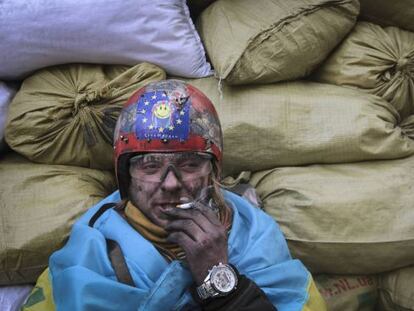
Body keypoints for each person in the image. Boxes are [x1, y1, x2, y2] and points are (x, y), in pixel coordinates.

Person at [24, 80, 326, 311]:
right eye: (150, 166)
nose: (170, 184)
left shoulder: (254, 236)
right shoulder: (93, 248)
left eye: (190, 164)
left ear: (214, 171)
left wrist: (220, 280)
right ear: (126, 176)